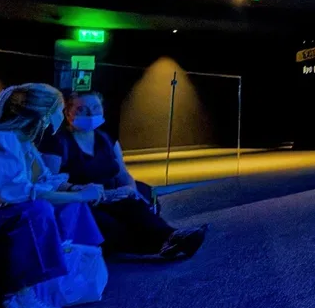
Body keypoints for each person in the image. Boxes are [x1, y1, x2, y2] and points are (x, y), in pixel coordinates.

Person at [0, 83, 103, 308]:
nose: (62, 116)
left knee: (62, 205)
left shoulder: (20, 143)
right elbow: (17, 194)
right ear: (45, 115)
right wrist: (80, 196)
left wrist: (77, 191)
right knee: (35, 210)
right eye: (60, 110)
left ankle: (74, 272)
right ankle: (20, 297)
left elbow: (42, 181)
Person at [41, 92, 206, 261]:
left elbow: (122, 173)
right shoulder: (57, 143)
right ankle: (164, 244)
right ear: (68, 113)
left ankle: (172, 237)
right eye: (82, 109)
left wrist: (130, 189)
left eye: (96, 107)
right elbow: (50, 183)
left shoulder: (106, 139)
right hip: (83, 201)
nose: (91, 114)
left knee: (135, 207)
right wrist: (84, 191)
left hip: (112, 196)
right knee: (110, 225)